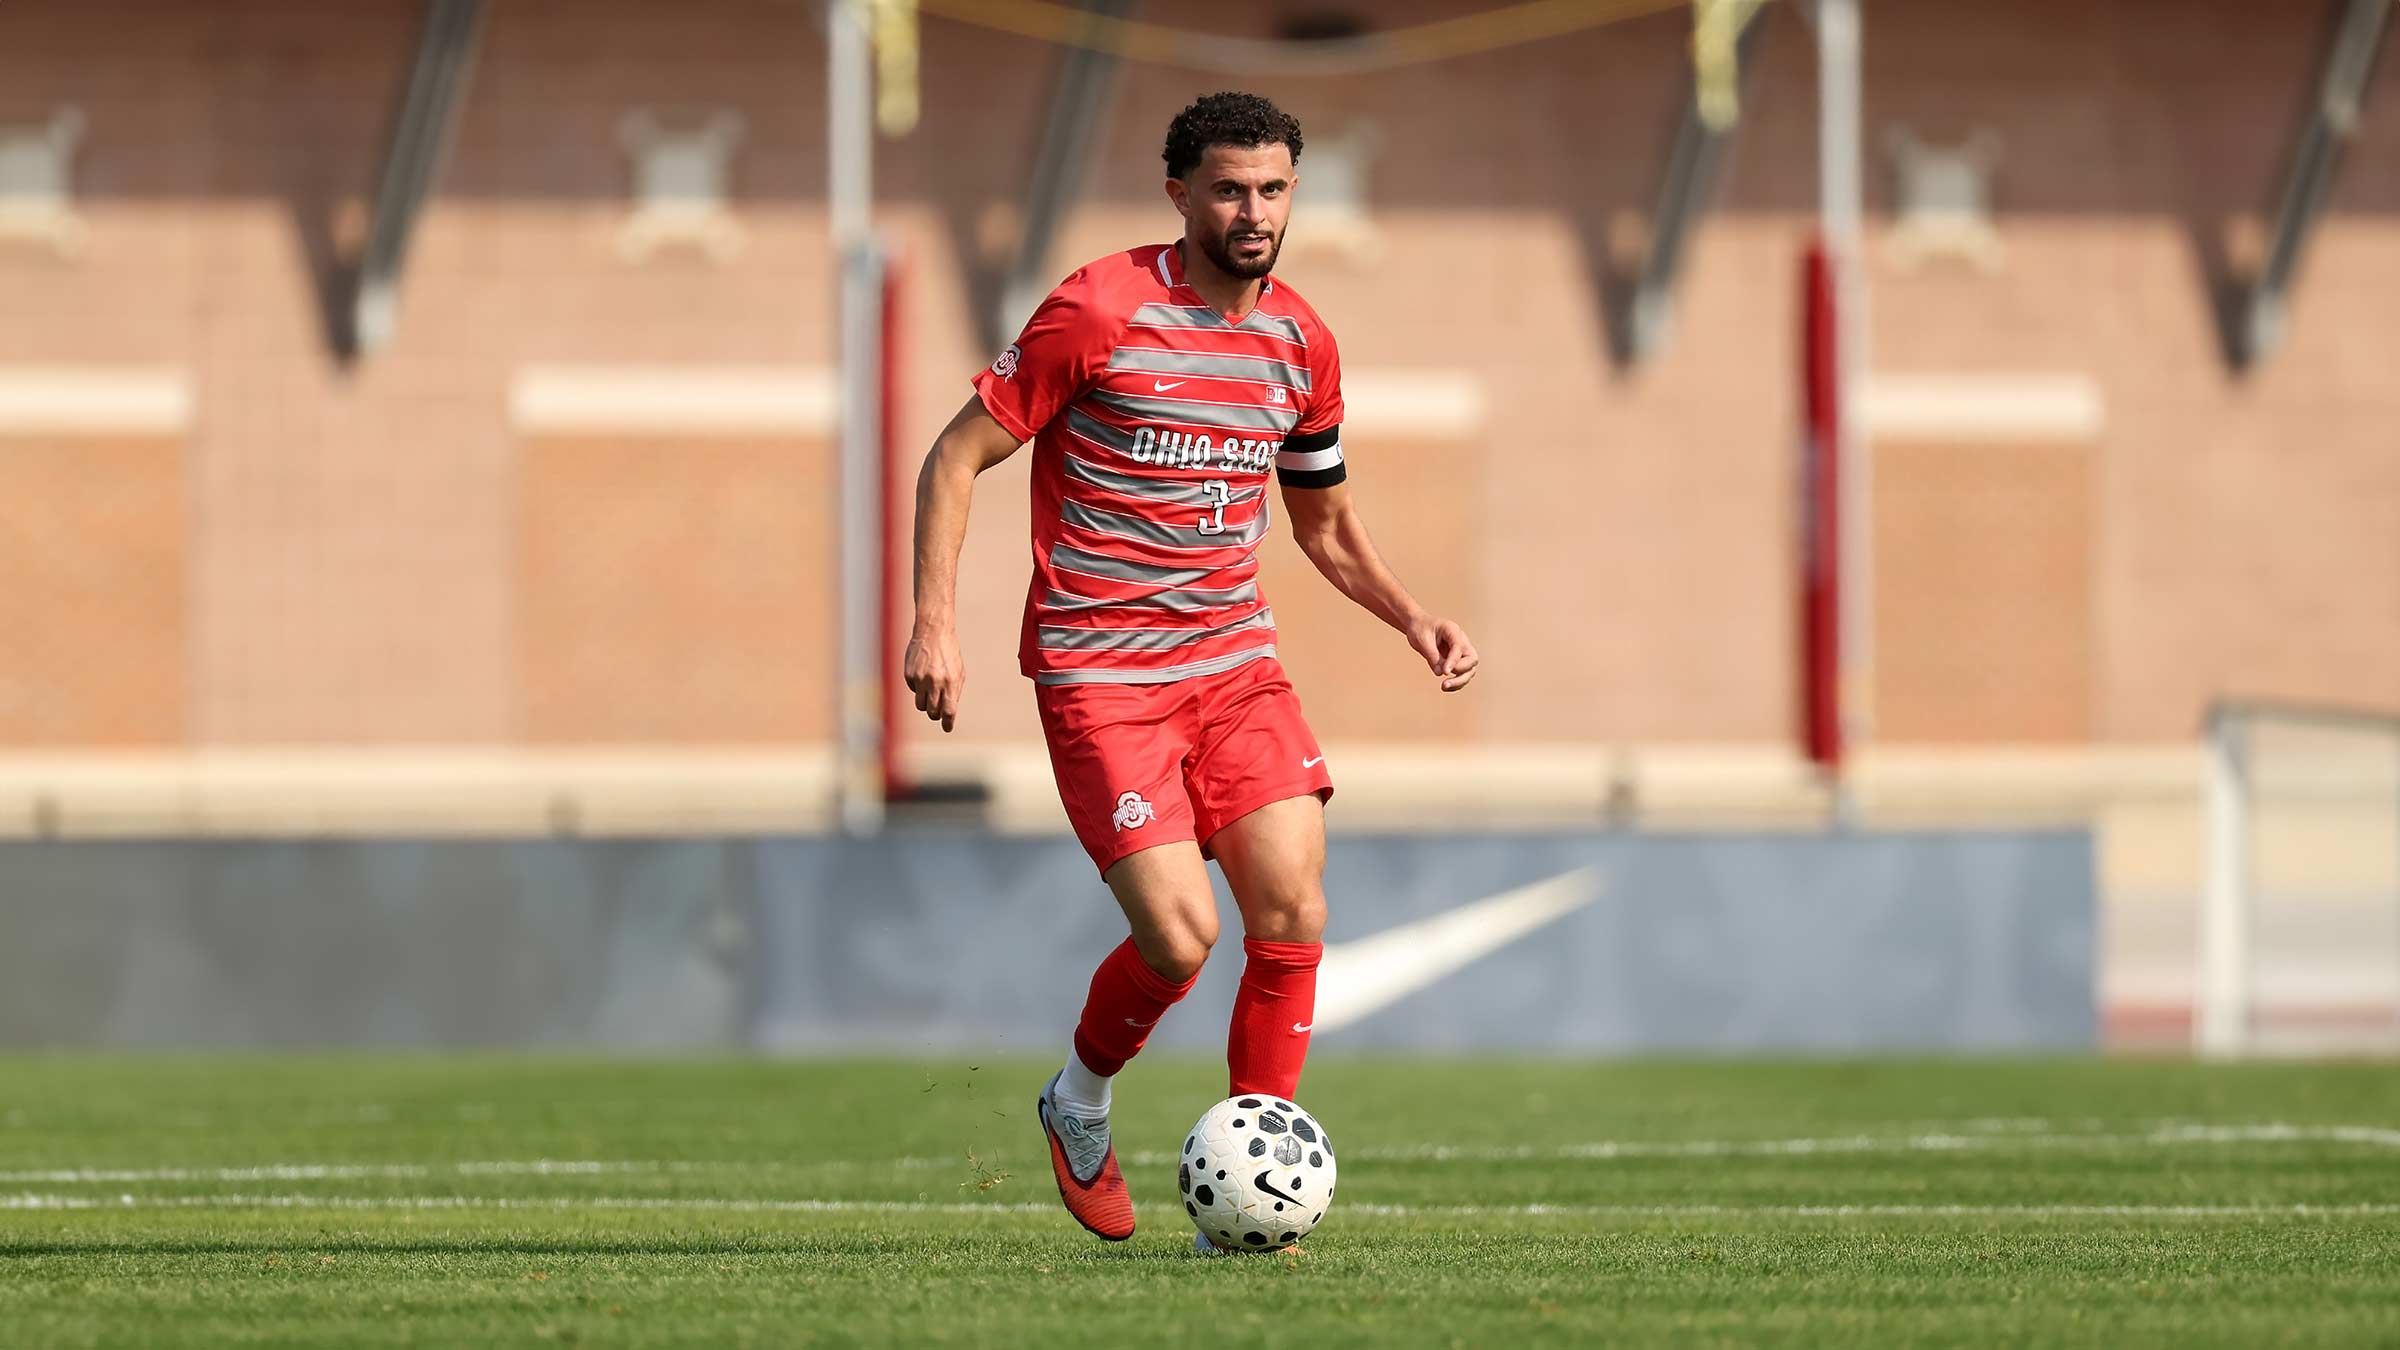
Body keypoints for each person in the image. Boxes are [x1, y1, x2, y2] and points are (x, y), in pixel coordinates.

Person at [902, 91, 1479, 1246]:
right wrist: (935, 623)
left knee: (1293, 905)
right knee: (1179, 937)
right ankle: (1078, 1099)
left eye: (1272, 189)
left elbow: (1322, 526)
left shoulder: (1301, 341)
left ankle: (1249, 1198)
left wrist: (1411, 616)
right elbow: (957, 457)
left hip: (1234, 669)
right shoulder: (1098, 309)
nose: (1253, 211)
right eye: (1228, 189)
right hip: (1101, 676)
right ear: (1180, 194)